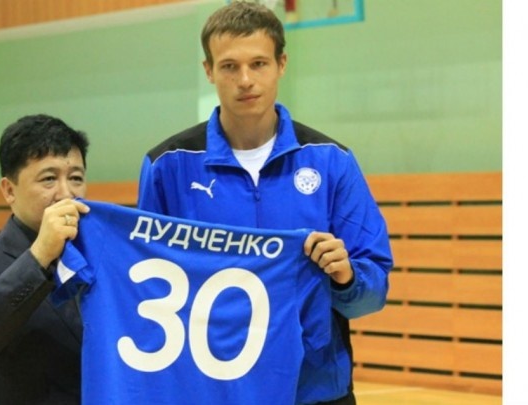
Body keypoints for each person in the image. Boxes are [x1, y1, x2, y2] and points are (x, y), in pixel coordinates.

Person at [137, 2, 392, 404]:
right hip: (211, 390)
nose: (245, 80)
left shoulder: (331, 162)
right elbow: (146, 281)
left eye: (258, 64)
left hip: (315, 392)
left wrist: (346, 278)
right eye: (229, 66)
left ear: (281, 65)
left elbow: (373, 293)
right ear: (208, 70)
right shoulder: (167, 167)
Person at [0, 114, 91, 404]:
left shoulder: (97, 260)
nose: (66, 193)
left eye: (76, 178)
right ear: (9, 190)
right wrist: (40, 254)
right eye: (49, 179)